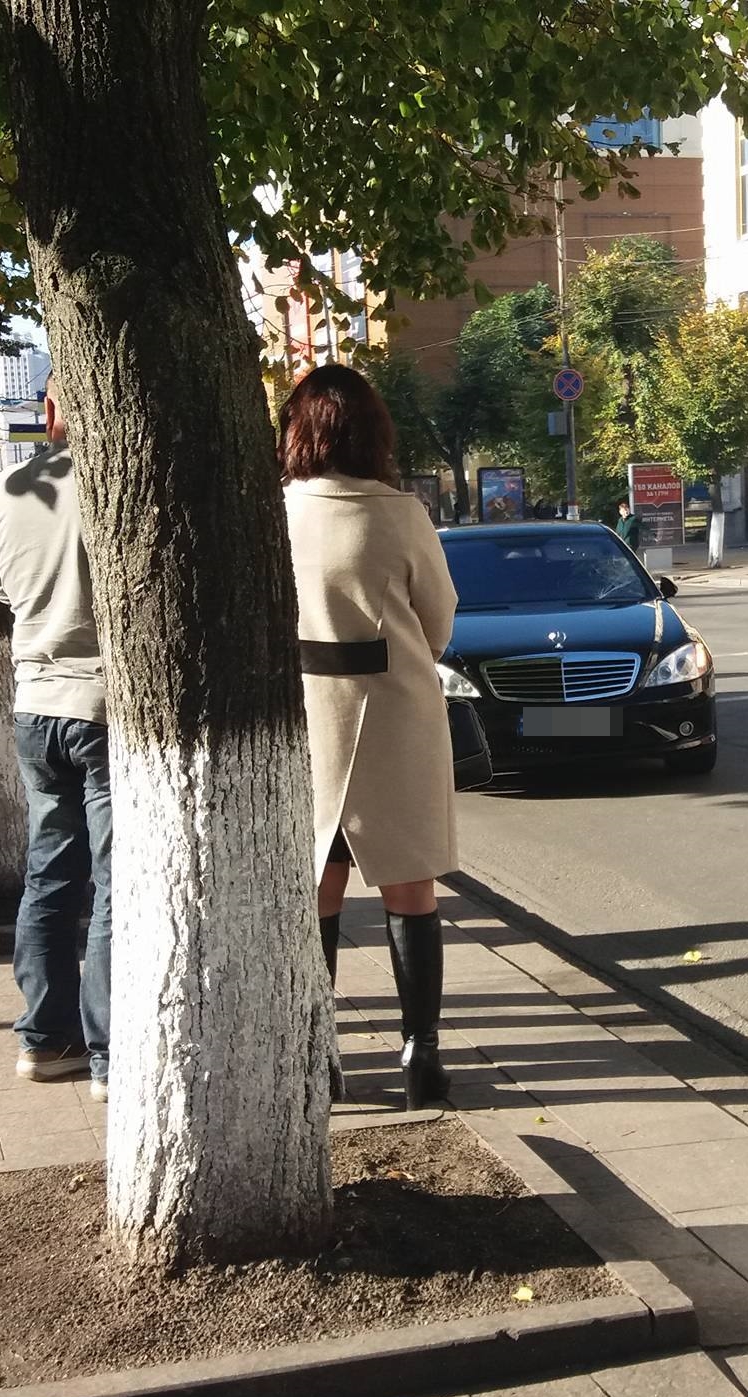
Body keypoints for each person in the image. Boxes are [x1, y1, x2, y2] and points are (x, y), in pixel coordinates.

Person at [282, 363, 460, 1110]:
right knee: (410, 886)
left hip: (307, 716)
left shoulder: (275, 513)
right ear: (373, 433)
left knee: (317, 884)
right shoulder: (401, 513)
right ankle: (421, 1054)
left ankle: (320, 1056)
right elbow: (439, 619)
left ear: (297, 432)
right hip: (397, 716)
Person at [0, 382, 111, 1102]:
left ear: (52, 414)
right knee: (116, 884)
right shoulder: (117, 485)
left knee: (50, 878)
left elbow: (2, 592)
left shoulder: (5, 491)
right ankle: (111, 1053)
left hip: (35, 703)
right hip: (104, 705)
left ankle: (44, 1039)